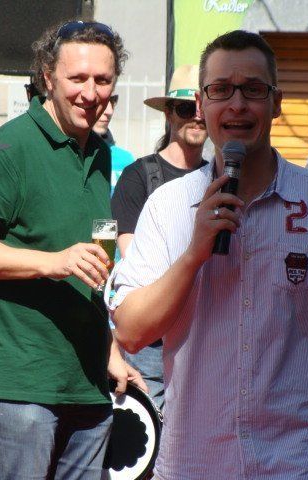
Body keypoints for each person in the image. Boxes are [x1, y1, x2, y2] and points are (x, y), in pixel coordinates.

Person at [110, 30, 308, 480]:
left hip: (303, 464)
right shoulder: (168, 206)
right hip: (195, 464)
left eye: (252, 90)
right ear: (201, 103)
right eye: (221, 90)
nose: (237, 105)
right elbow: (131, 332)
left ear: (276, 102)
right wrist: (193, 255)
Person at [0, 20, 143, 479]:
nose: (90, 93)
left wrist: (109, 350)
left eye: (103, 80)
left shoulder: (100, 152)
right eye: (78, 78)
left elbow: (93, 264)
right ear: (48, 78)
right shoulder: (12, 145)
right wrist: (53, 262)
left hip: (86, 387)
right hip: (17, 388)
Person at [111, 64, 207, 409]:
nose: (196, 117)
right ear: (169, 113)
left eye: (203, 108)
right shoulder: (138, 176)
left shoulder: (222, 178)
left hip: (203, 335)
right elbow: (134, 257)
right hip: (152, 342)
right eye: (185, 108)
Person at [92, 93, 135, 192]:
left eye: (111, 102)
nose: (109, 111)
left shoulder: (126, 160)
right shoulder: (63, 157)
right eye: (100, 101)